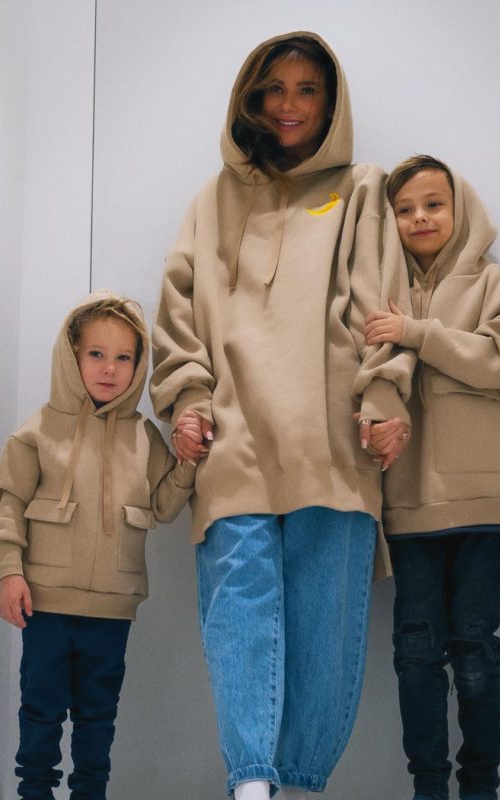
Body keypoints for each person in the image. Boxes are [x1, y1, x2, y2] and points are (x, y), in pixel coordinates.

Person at [151, 31, 412, 800]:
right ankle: (251, 785)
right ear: (251, 97)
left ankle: (293, 784)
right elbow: (178, 313)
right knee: (239, 614)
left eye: (307, 89)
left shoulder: (362, 189)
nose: (289, 105)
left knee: (325, 623)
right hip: (232, 440)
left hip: (332, 439)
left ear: (331, 102)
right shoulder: (214, 199)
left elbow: (383, 302)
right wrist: (187, 399)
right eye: (274, 88)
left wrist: (385, 397)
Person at [364, 155, 500, 800]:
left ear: (460, 208)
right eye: (404, 208)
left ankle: (481, 787)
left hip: (486, 499)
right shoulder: (378, 288)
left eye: (433, 204)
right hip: (409, 500)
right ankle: (428, 787)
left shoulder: (497, 285)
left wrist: (417, 332)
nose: (420, 217)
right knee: (416, 647)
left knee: (474, 645)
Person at [0, 290, 196, 800]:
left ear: (138, 365)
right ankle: (34, 791)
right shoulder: (37, 432)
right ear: (72, 356)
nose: (109, 369)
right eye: (97, 354)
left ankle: (90, 793)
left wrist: (188, 463)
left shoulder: (144, 438)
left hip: (112, 608)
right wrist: (10, 572)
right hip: (45, 604)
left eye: (124, 357)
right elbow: (11, 505)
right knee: (40, 709)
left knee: (98, 715)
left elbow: (165, 506)